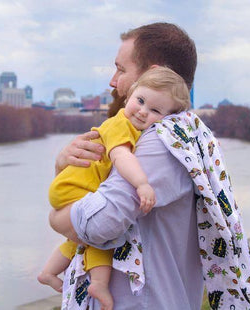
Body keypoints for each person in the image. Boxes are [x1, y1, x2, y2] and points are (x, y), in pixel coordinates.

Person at [49, 22, 250, 310]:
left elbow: (99, 224)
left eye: (121, 69)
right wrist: (65, 167)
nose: (113, 81)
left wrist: (56, 216)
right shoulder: (183, 135)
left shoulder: (161, 142)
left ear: (152, 75)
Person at [38, 66, 191, 310]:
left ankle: (48, 271)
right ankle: (99, 283)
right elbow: (121, 157)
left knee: (79, 237)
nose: (142, 112)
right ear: (130, 94)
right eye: (140, 101)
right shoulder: (120, 124)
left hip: (70, 186)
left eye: (155, 110)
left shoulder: (139, 129)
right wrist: (142, 184)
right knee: (101, 236)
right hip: (75, 187)